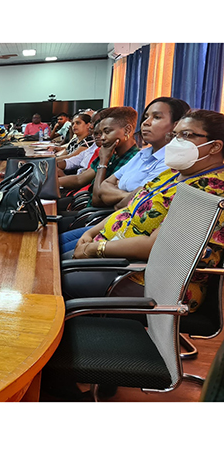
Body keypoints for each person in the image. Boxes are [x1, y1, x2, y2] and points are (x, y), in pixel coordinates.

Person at [64, 109, 224, 312]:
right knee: (50, 265)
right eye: (175, 135)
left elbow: (154, 246)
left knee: (54, 278)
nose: (175, 142)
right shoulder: (174, 172)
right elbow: (130, 209)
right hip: (117, 257)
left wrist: (96, 249)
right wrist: (90, 233)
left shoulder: (211, 190)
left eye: (186, 135)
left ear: (215, 146)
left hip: (150, 277)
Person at [93, 97, 191, 208]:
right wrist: (130, 195)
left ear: (176, 126)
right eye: (145, 117)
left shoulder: (172, 161)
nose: (145, 123)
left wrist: (117, 190)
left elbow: (132, 205)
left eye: (156, 117)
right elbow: (104, 188)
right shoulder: (142, 154)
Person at [58, 107, 140, 207]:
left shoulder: (134, 160)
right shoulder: (111, 153)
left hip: (97, 215)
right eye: (101, 133)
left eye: (107, 132)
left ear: (127, 130)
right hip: (87, 208)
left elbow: (97, 200)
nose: (102, 138)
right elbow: (80, 179)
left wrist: (103, 163)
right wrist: (49, 183)